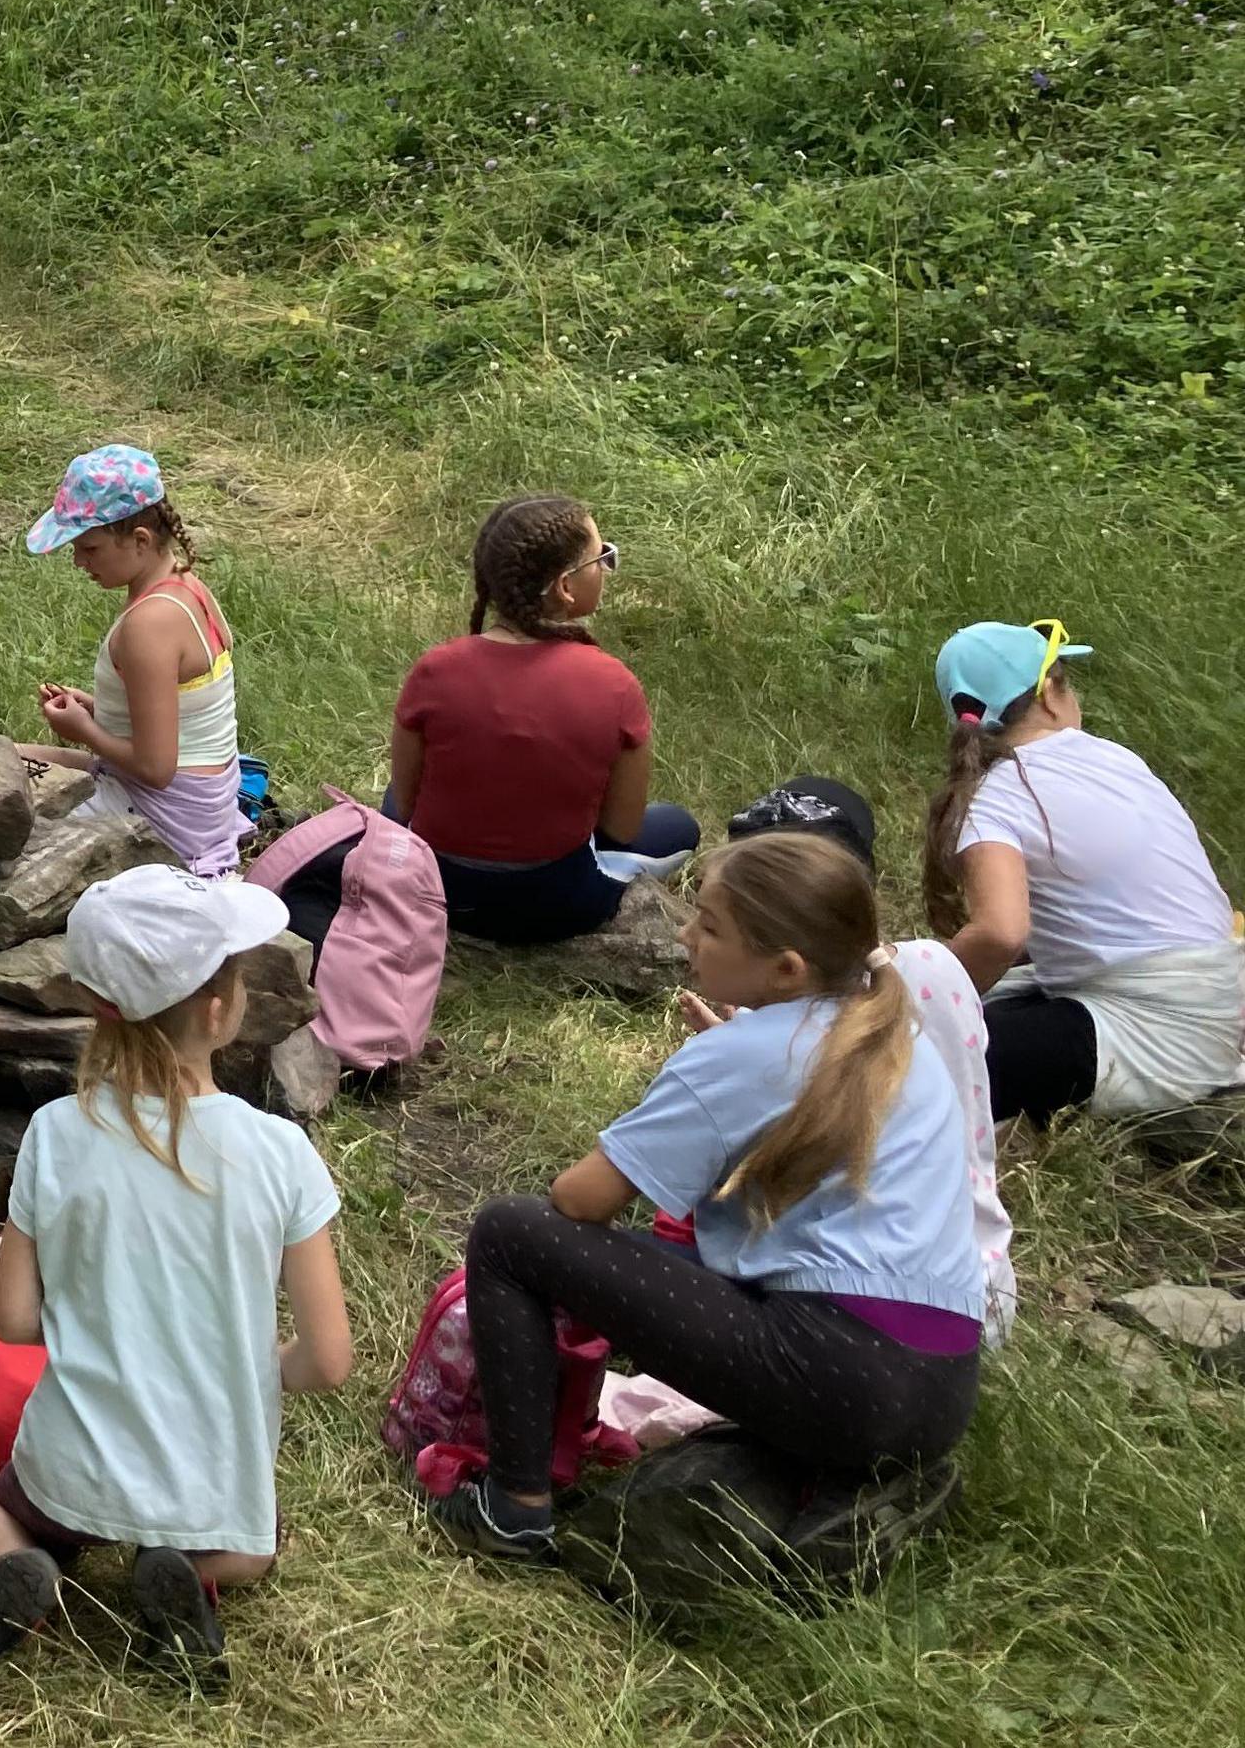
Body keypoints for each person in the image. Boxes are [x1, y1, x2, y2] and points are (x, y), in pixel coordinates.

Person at [432, 831, 984, 1568]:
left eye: (710, 926)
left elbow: (581, 1199)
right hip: (940, 1391)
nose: (687, 934)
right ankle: (829, 1495)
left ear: (786, 969)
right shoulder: (889, 1042)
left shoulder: (744, 1055)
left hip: (832, 1370)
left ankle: (514, 1512)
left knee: (512, 1233)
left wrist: (707, 1084)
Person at [0, 865, 351, 1701]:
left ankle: (23, 1568)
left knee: (1, 1514)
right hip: (214, 1474)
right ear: (218, 1010)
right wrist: (256, 1365)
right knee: (258, 1547)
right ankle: (185, 1571)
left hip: (71, 1465)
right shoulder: (282, 1154)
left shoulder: (56, 1133)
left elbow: (13, 1319)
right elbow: (328, 1359)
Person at [924, 618, 1243, 1124]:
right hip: (1222, 989)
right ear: (1051, 696)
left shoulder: (996, 799)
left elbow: (1000, 934)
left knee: (925, 1055)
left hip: (1165, 1032)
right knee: (987, 1010)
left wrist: (921, 994)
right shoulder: (1116, 758)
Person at [735, 776, 1015, 1340]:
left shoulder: (774, 1020)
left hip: (867, 1316)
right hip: (982, 1293)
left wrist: (729, 1062)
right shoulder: (938, 966)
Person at [391, 495, 699, 945]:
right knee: (679, 826)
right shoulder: (613, 683)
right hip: (558, 905)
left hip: (437, 890)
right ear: (565, 587)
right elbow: (622, 828)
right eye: (602, 558)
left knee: (389, 802)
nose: (607, 567)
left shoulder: (435, 669)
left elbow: (408, 800)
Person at [21, 447, 247, 878]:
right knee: (9, 756)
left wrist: (83, 730)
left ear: (140, 540)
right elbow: (176, 704)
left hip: (164, 815)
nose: (78, 561)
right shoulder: (187, 585)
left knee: (6, 803)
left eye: (89, 548)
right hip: (205, 802)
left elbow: (155, 769)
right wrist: (101, 708)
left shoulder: (148, 624)